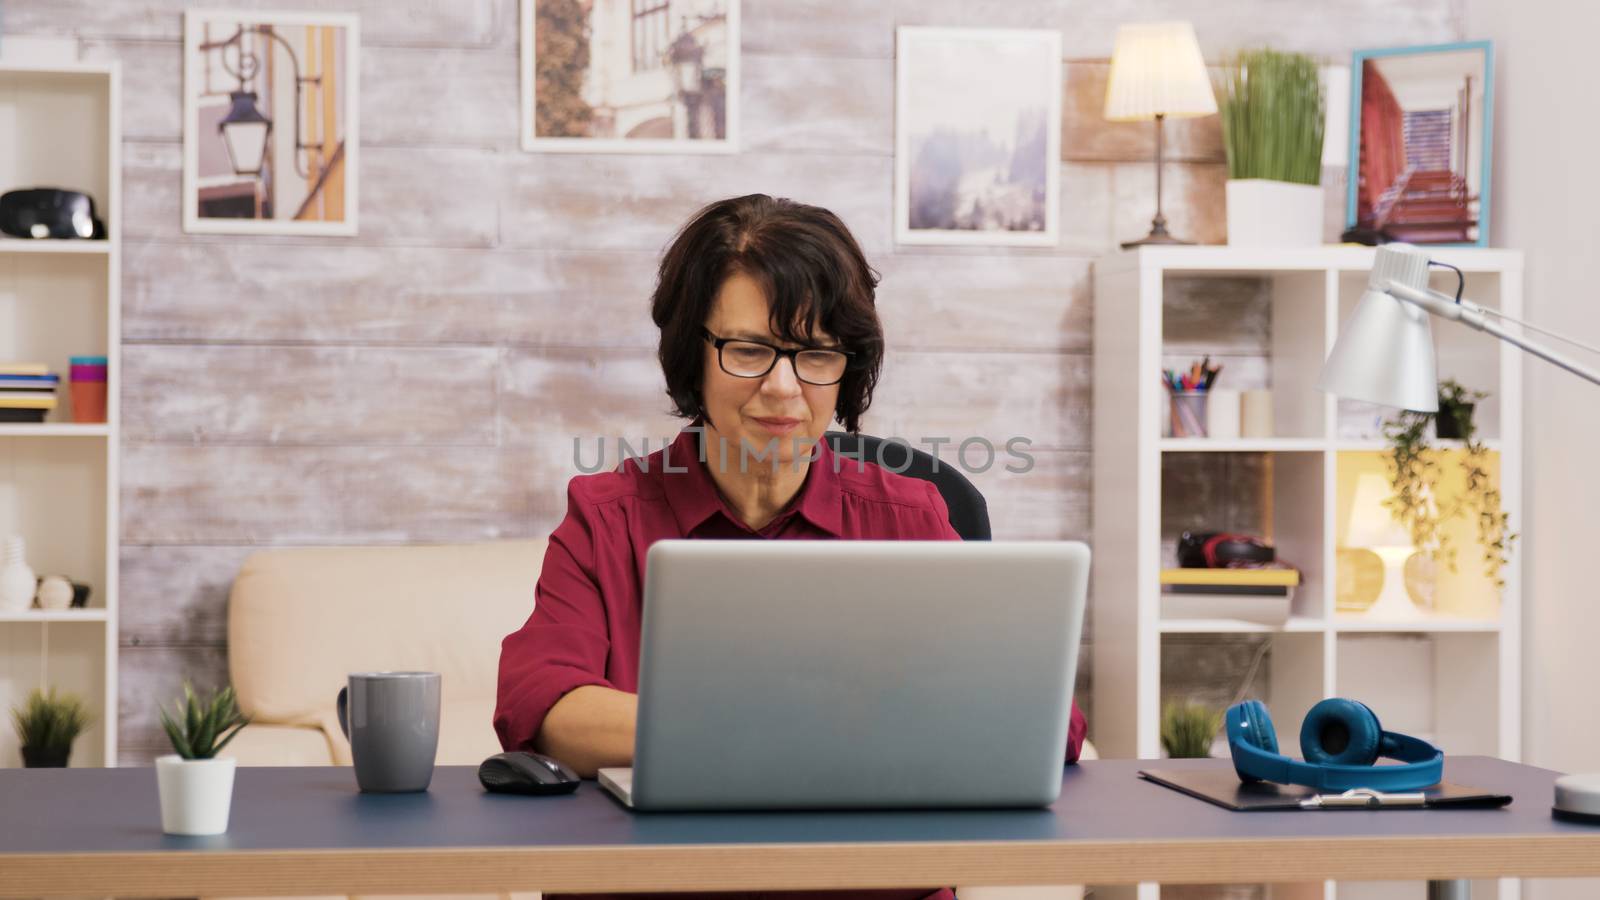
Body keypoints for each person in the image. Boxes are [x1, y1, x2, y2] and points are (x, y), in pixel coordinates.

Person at [494, 193, 1087, 900]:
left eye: (813, 353)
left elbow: (1046, 723)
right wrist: (812, 723)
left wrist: (722, 735)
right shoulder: (606, 517)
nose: (783, 388)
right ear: (694, 352)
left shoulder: (907, 512)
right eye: (749, 350)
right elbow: (546, 712)